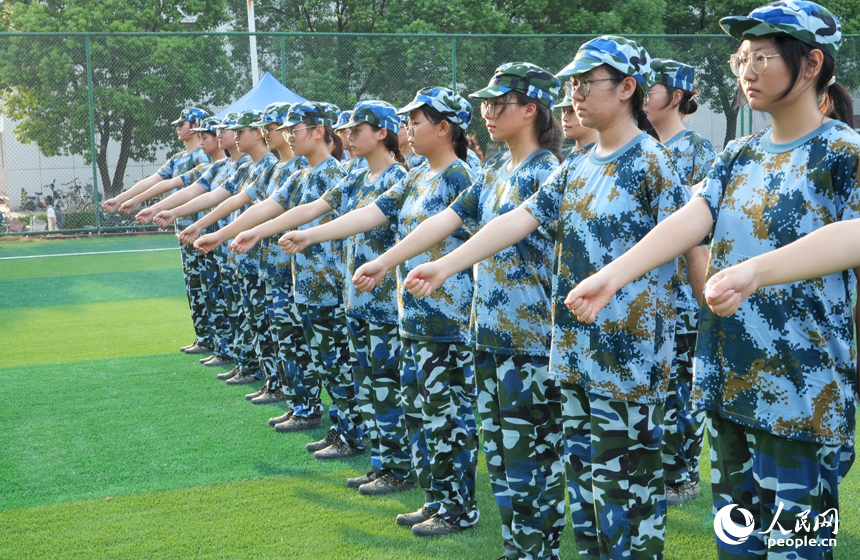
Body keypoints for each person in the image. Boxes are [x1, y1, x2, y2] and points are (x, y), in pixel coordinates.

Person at [564, 5, 856, 558]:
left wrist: (754, 270)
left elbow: (855, 234)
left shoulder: (842, 152)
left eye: (762, 57)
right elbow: (691, 219)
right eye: (741, 58)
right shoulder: (737, 156)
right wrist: (610, 276)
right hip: (730, 389)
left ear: (812, 62)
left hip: (802, 397)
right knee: (737, 547)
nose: (746, 70)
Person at [353, 65, 567, 554]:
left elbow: (507, 226)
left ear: (531, 109)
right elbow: (450, 219)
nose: (488, 113)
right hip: (487, 334)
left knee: (531, 459)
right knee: (502, 460)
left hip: (530, 339)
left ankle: (536, 548)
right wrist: (387, 262)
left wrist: (444, 267)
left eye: (499, 104)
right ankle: (517, 546)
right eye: (486, 104)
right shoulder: (495, 171)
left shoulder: (545, 172)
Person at [280, 88, 480, 532]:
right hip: (413, 315)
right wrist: (312, 235)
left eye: (417, 121)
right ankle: (435, 498)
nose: (408, 129)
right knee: (419, 411)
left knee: (449, 417)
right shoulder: (417, 178)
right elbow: (373, 213)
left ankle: (459, 506)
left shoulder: (461, 176)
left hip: (447, 319)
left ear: (443, 128)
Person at [199, 103, 363, 457]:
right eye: (285, 130)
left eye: (295, 130)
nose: (289, 136)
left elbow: (298, 213)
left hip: (329, 286)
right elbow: (269, 206)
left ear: (319, 131)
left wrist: (245, 232)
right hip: (303, 283)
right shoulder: (302, 174)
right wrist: (226, 234)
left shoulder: (332, 172)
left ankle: (350, 432)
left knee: (336, 364)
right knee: (321, 360)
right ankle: (336, 426)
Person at [646, 57, 716, 506]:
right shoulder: (641, 147)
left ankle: (684, 474)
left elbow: (701, 231)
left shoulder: (697, 151)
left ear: (673, 97)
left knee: (682, 391)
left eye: (649, 89)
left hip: (683, 299)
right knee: (656, 387)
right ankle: (659, 468)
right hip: (648, 295)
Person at [103, 107, 212, 355]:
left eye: (182, 123)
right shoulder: (178, 158)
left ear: (195, 125)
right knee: (193, 286)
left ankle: (215, 340)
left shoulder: (202, 158)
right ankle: (204, 337)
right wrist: (120, 199)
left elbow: (184, 189)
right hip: (183, 230)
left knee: (207, 286)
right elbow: (153, 181)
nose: (177, 127)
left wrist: (142, 203)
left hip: (200, 231)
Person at [556, 92, 597, 159]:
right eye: (563, 111)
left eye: (572, 111)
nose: (564, 118)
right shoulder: (558, 158)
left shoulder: (607, 156)